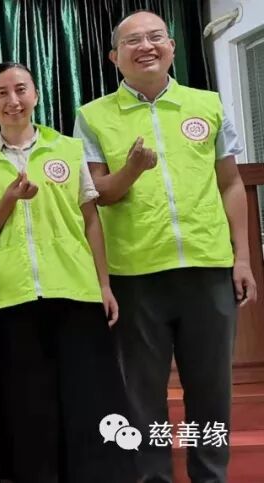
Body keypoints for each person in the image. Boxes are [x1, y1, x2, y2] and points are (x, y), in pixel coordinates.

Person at [74, 10, 255, 482]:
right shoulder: (93, 115)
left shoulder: (207, 104)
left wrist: (241, 258)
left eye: (156, 37)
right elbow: (98, 194)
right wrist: (133, 169)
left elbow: (231, 184)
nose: (146, 47)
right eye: (132, 41)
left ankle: (210, 476)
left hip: (208, 266)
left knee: (211, 392)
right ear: (114, 57)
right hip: (136, 274)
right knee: (142, 397)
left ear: (172, 47)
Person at [0, 63, 134, 483]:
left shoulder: (67, 150)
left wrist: (103, 283)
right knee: (27, 406)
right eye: (1, 93)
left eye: (21, 89)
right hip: (9, 295)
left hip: (74, 289)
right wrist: (8, 199)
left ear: (36, 95)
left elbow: (90, 220)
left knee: (87, 397)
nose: (13, 100)